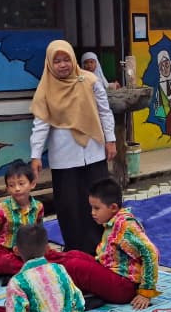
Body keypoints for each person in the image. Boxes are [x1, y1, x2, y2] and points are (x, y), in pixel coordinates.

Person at [30, 39, 117, 255]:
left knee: (99, 202)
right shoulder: (45, 90)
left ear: (72, 59)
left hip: (93, 151)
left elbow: (105, 111)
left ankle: (102, 248)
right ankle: (76, 252)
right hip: (65, 157)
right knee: (70, 206)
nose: (62, 65)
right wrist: (36, 155)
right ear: (50, 63)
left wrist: (111, 139)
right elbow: (40, 125)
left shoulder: (89, 80)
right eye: (57, 61)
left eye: (66, 59)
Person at [62, 178, 160, 309]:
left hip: (125, 286)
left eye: (97, 208)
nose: (92, 213)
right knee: (73, 255)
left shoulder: (125, 226)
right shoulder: (112, 221)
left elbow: (151, 252)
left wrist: (146, 292)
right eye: (91, 207)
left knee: (76, 266)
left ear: (113, 207)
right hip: (112, 274)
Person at [0, 161, 44, 277]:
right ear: (7, 188)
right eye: (11, 185)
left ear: (32, 184)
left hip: (30, 252)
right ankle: (35, 270)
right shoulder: (1, 209)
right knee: (1, 262)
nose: (17, 189)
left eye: (21, 183)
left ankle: (26, 270)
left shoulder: (39, 207)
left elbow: (40, 230)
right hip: (7, 252)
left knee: (55, 256)